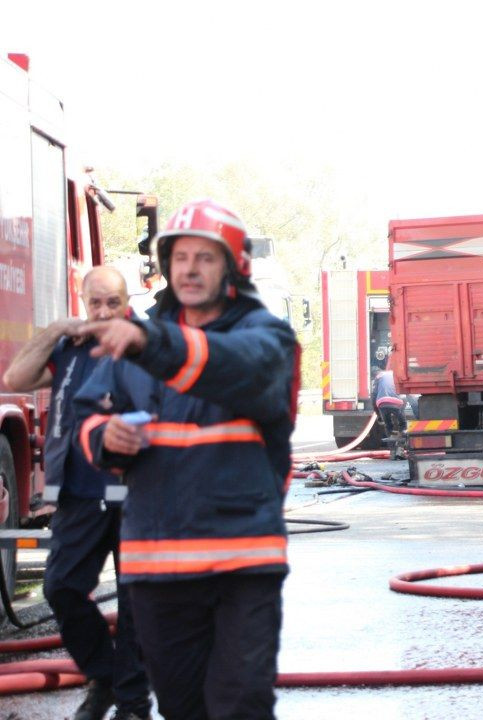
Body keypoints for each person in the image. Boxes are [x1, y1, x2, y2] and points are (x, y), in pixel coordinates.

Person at [72, 200, 299, 719]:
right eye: (180, 257)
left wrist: (152, 342)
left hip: (242, 563)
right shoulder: (137, 341)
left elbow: (235, 368)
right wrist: (105, 436)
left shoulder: (264, 338)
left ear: (233, 269)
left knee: (239, 705)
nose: (190, 269)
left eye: (206, 257)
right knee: (182, 710)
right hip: (158, 566)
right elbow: (87, 416)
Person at [2, 267, 152, 720]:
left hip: (138, 494)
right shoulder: (69, 347)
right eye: (95, 303)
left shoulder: (148, 344)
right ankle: (103, 676)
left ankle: (131, 703)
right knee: (61, 588)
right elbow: (16, 378)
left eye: (113, 302)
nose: (104, 312)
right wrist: (53, 330)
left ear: (127, 301)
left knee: (136, 603)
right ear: (83, 303)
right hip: (79, 494)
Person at [372, 356, 406, 456]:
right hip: (397, 402)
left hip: (382, 403)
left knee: (388, 426)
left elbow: (373, 397)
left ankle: (392, 451)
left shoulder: (378, 377)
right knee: (402, 424)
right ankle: (401, 448)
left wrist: (378, 414)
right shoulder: (395, 374)